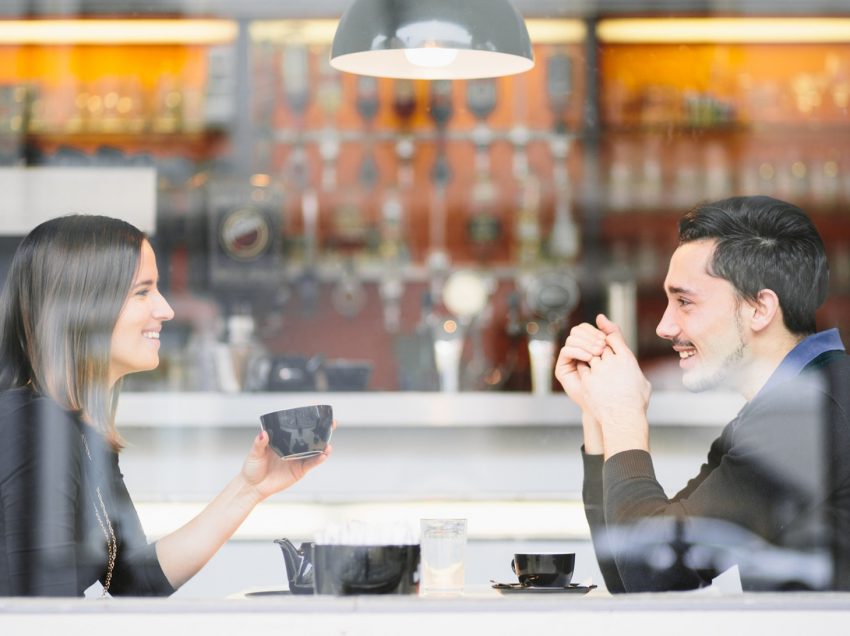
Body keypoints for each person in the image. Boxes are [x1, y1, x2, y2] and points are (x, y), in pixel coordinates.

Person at [0, 214, 332, 597]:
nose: (166, 310)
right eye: (143, 292)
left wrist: (250, 488)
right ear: (83, 305)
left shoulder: (80, 433)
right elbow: (48, 620)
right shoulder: (34, 430)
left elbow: (133, 580)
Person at [555, 195, 850, 592]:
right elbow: (631, 576)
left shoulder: (811, 411)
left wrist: (624, 415)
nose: (664, 326)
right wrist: (599, 413)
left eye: (684, 302)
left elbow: (651, 574)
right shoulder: (787, 409)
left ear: (759, 308)